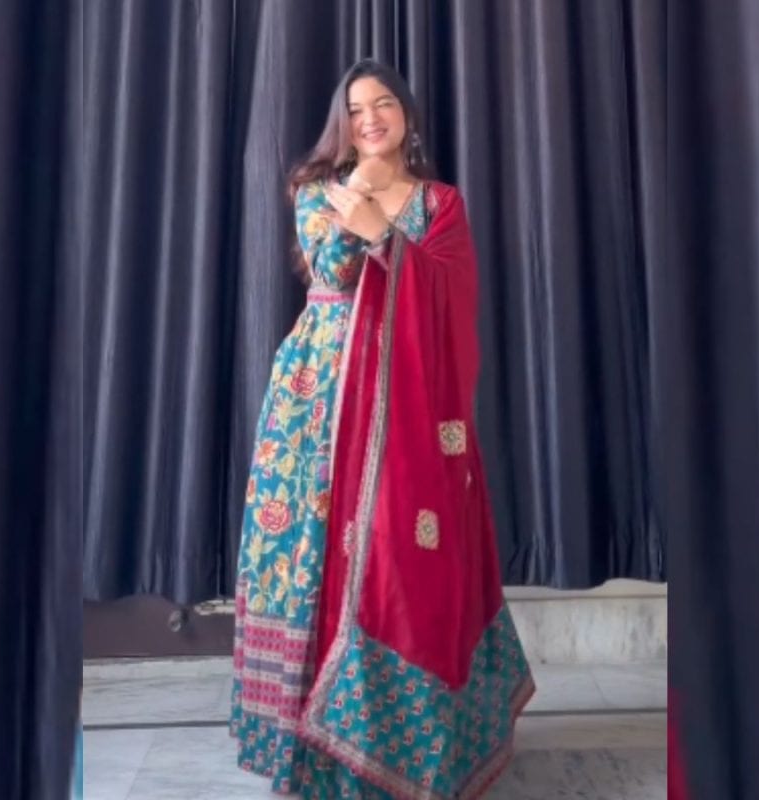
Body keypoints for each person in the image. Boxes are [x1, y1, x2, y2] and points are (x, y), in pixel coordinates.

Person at [229, 58, 535, 799]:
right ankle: (315, 749)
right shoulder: (317, 191)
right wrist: (361, 204)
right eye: (357, 108)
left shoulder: (441, 204)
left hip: (410, 409)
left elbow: (453, 297)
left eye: (385, 104)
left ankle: (415, 749)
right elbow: (332, 275)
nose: (371, 119)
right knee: (310, 549)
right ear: (343, 122)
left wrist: (387, 238)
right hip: (320, 400)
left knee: (404, 551)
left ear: (408, 115)